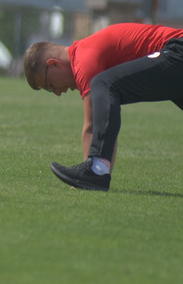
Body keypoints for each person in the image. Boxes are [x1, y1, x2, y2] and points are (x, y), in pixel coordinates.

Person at [24, 22, 183, 191]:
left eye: (50, 85)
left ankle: (95, 172)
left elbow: (93, 126)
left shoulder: (83, 61)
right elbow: (105, 126)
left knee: (102, 83)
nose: (56, 93)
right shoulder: (85, 52)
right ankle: (95, 172)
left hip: (177, 51)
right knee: (104, 86)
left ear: (54, 64)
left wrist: (87, 178)